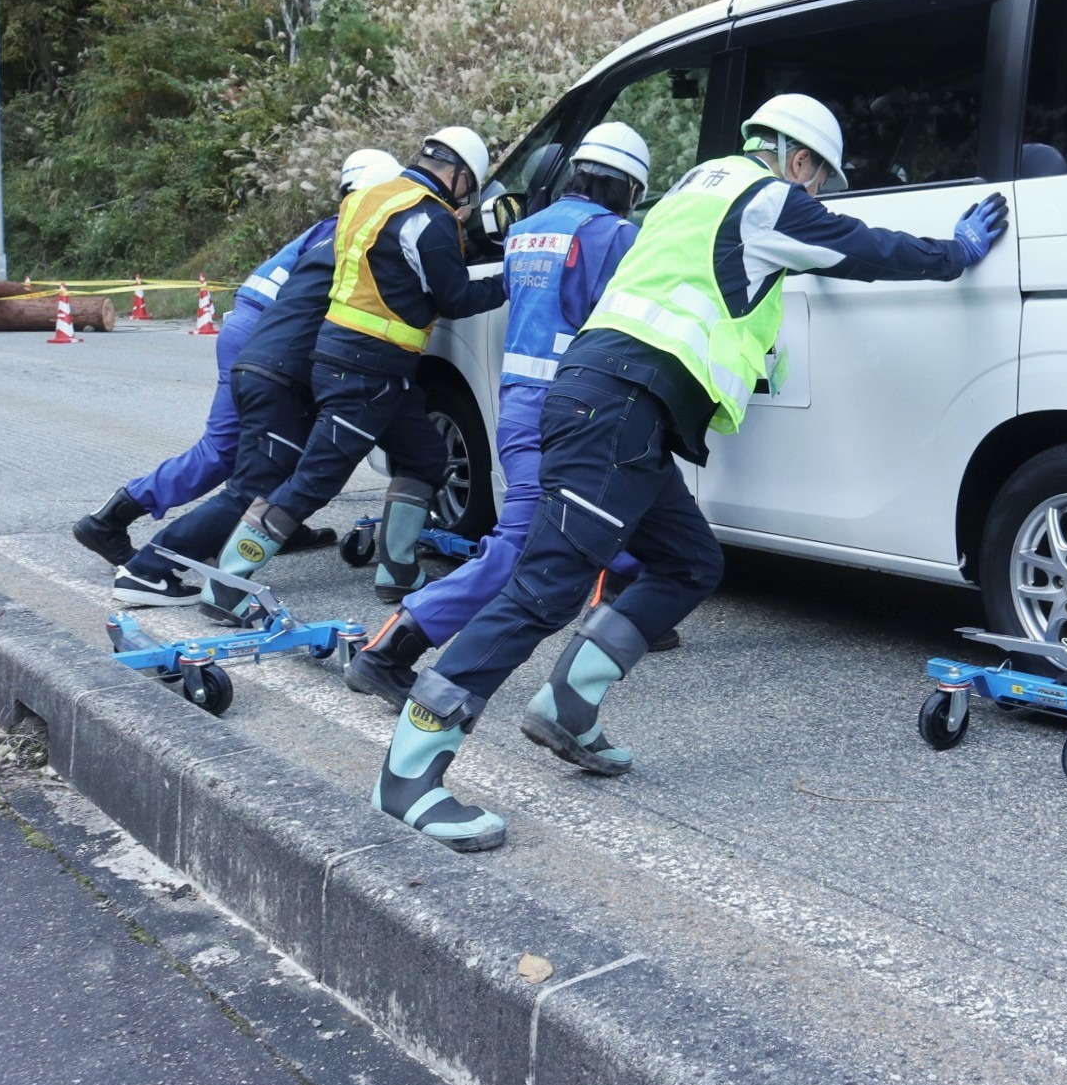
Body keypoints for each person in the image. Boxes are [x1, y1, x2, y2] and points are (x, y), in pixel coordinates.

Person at [369, 93, 1010, 853]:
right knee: (544, 589)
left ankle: (569, 702)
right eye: (818, 179)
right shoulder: (768, 197)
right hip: (617, 408)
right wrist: (956, 252)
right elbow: (864, 250)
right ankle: (410, 772)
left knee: (688, 561)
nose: (817, 195)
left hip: (619, 407)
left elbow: (704, 289)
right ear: (799, 159)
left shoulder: (694, 188)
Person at [347, 121, 661, 708]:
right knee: (520, 543)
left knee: (634, 497)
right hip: (573, 407)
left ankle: (630, 598)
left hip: (520, 403)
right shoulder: (617, 236)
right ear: (629, 188)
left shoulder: (526, 230)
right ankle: (389, 649)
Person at [205, 128, 508, 617]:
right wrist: (511, 278)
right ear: (458, 175)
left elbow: (388, 268)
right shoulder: (429, 218)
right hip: (368, 370)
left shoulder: (370, 199)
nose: (464, 196)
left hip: (362, 363)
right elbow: (455, 297)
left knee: (425, 456)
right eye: (468, 186)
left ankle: (398, 571)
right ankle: (225, 584)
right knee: (315, 479)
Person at [72, 148, 399, 577]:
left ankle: (277, 523)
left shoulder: (331, 225)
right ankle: (112, 518)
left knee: (280, 439)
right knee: (226, 449)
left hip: (255, 325)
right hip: (265, 337)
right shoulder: (358, 230)